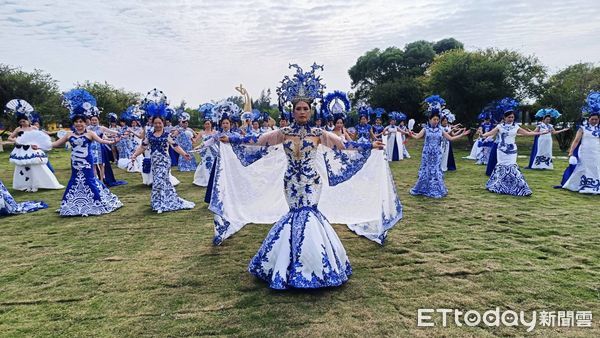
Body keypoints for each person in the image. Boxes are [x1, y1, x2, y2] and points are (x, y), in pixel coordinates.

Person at [220, 64, 392, 290]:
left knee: (309, 213)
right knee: (295, 213)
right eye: (298, 108)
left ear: (310, 111)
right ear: (293, 111)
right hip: (291, 182)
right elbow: (256, 142)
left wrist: (370, 145)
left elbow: (344, 146)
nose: (302, 111)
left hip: (311, 182)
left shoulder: (319, 134)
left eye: (305, 108)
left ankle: (314, 264)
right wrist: (231, 141)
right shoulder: (283, 133)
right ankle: (290, 264)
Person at [53, 89, 123, 216]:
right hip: (75, 162)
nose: (79, 124)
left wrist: (113, 141)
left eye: (81, 122)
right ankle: (70, 204)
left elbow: (102, 141)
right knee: (74, 179)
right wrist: (40, 146)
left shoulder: (90, 133)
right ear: (74, 123)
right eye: (76, 122)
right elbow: (56, 144)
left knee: (89, 179)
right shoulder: (69, 134)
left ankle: (97, 203)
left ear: (85, 123)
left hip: (87, 160)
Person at [131, 102, 195, 213]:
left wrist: (184, 154)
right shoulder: (150, 135)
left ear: (163, 123)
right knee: (159, 181)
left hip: (164, 161)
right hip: (154, 162)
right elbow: (143, 146)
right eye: (155, 123)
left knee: (160, 181)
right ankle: (162, 201)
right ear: (153, 124)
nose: (158, 125)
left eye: (160, 123)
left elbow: (175, 146)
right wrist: (135, 155)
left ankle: (159, 204)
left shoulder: (167, 135)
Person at [482, 98, 548, 196]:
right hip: (501, 150)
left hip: (512, 150)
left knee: (512, 166)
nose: (511, 119)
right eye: (509, 117)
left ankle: (520, 187)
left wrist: (540, 132)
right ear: (504, 118)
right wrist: (482, 135)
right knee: (501, 166)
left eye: (512, 117)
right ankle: (498, 186)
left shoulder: (516, 127)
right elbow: (491, 133)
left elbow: (526, 134)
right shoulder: (499, 126)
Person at [409, 95, 469, 198]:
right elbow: (417, 137)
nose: (436, 121)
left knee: (436, 170)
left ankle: (436, 188)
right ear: (429, 119)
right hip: (427, 153)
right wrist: (410, 133)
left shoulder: (441, 130)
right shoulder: (425, 129)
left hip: (437, 153)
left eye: (437, 120)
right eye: (434, 119)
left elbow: (451, 138)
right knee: (426, 169)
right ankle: (423, 188)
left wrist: (462, 135)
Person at [6, 99, 64, 192]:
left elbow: (40, 137)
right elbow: (10, 138)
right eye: (20, 122)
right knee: (22, 167)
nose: (22, 123)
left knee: (35, 167)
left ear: (28, 120)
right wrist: (16, 140)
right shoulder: (18, 129)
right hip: (22, 150)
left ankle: (37, 183)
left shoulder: (34, 128)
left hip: (33, 149)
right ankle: (25, 185)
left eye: (24, 121)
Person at [562, 92, 600, 194]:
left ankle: (594, 186)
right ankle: (581, 185)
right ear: (589, 119)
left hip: (596, 152)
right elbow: (576, 141)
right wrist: (571, 151)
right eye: (592, 119)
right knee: (583, 167)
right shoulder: (582, 128)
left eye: (596, 119)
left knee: (595, 167)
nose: (594, 121)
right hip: (584, 151)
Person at [193, 119, 219, 187]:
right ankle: (204, 179)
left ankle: (214, 179)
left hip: (213, 150)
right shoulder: (202, 133)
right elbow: (195, 140)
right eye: (206, 124)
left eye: (208, 124)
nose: (207, 125)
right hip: (205, 151)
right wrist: (192, 139)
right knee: (204, 163)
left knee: (214, 163)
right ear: (204, 125)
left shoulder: (215, 132)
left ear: (211, 124)